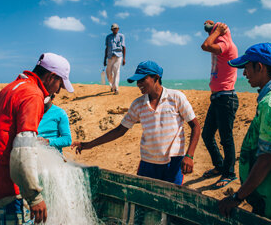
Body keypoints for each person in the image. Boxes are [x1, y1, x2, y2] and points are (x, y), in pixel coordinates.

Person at [0, 52, 74, 225]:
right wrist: (34, 197)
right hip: (4, 188)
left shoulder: (12, 87)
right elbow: (22, 151)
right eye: (60, 84)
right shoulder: (33, 95)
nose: (58, 90)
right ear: (50, 77)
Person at [72, 61, 200, 185]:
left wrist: (189, 155)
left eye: (142, 80)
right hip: (148, 163)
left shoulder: (176, 97)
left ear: (156, 77)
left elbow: (196, 126)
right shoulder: (138, 104)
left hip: (174, 162)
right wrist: (89, 144)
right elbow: (119, 131)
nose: (138, 84)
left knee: (172, 200)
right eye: (137, 81)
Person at [219, 43, 271, 225]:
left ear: (260, 67)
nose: (244, 73)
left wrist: (237, 197)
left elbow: (266, 159)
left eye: (247, 68)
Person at [200, 20, 239, 188]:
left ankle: (229, 173)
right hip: (217, 98)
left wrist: (218, 31)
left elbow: (205, 46)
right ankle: (219, 166)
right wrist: (213, 26)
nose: (211, 34)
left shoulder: (226, 44)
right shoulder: (219, 41)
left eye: (214, 32)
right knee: (207, 135)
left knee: (226, 138)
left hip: (226, 98)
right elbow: (209, 40)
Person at [104, 23, 126, 95]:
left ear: (118, 29)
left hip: (118, 56)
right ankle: (112, 85)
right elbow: (106, 48)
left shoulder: (121, 36)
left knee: (116, 72)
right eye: (113, 29)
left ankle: (116, 88)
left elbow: (124, 47)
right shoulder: (108, 37)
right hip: (110, 56)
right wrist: (104, 59)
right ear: (112, 30)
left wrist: (124, 58)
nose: (115, 30)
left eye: (116, 28)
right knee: (109, 72)